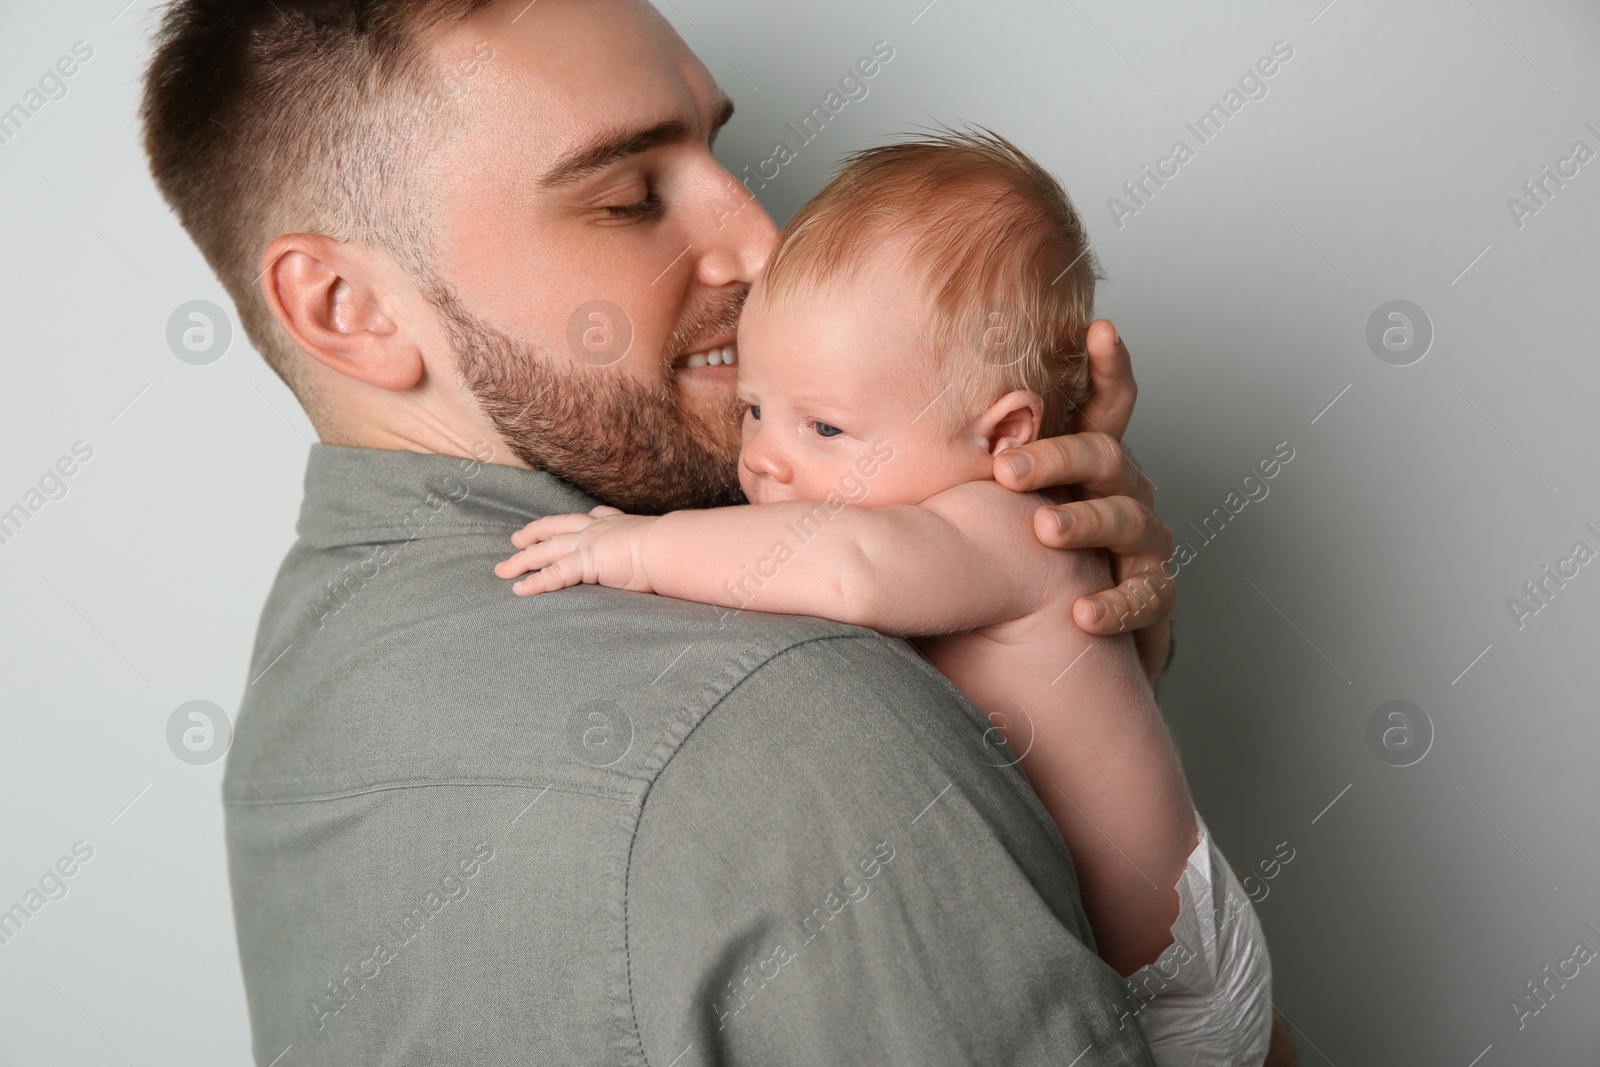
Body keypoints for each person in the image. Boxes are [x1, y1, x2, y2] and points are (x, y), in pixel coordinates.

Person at [137, 0, 1297, 1063]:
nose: (763, 238)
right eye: (627, 195)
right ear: (350, 309)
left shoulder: (297, 704)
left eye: (717, 151)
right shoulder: (792, 716)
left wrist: (1080, 651)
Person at [495, 128, 1274, 1065]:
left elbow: (848, 564)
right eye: (753, 406)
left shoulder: (1001, 522)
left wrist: (633, 547)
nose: (764, 455)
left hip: (1174, 973)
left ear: (1007, 436)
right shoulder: (942, 511)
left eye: (824, 425)